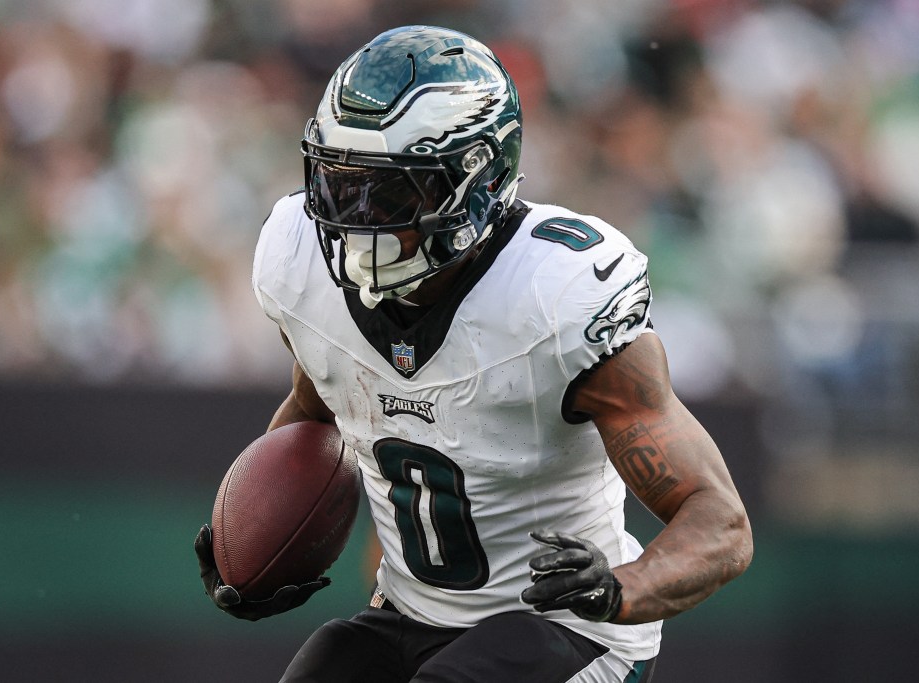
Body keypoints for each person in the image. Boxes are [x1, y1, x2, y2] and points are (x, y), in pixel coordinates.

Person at [194, 24, 752, 683]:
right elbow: (319, 405)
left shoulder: (554, 298)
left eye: (394, 192)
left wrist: (620, 587)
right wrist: (260, 536)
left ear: (477, 179)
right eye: (342, 184)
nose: (358, 218)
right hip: (410, 611)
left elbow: (720, 522)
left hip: (564, 629)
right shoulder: (299, 262)